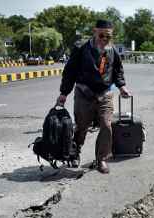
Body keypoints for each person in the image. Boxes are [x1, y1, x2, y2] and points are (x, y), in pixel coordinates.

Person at [57, 19, 131, 174]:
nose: (104, 39)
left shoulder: (112, 51)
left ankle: (102, 159)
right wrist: (64, 93)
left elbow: (117, 71)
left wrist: (122, 86)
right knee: (82, 126)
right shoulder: (80, 48)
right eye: (102, 35)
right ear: (94, 31)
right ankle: (75, 152)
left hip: (104, 94)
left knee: (106, 125)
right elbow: (69, 72)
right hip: (84, 93)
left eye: (108, 37)